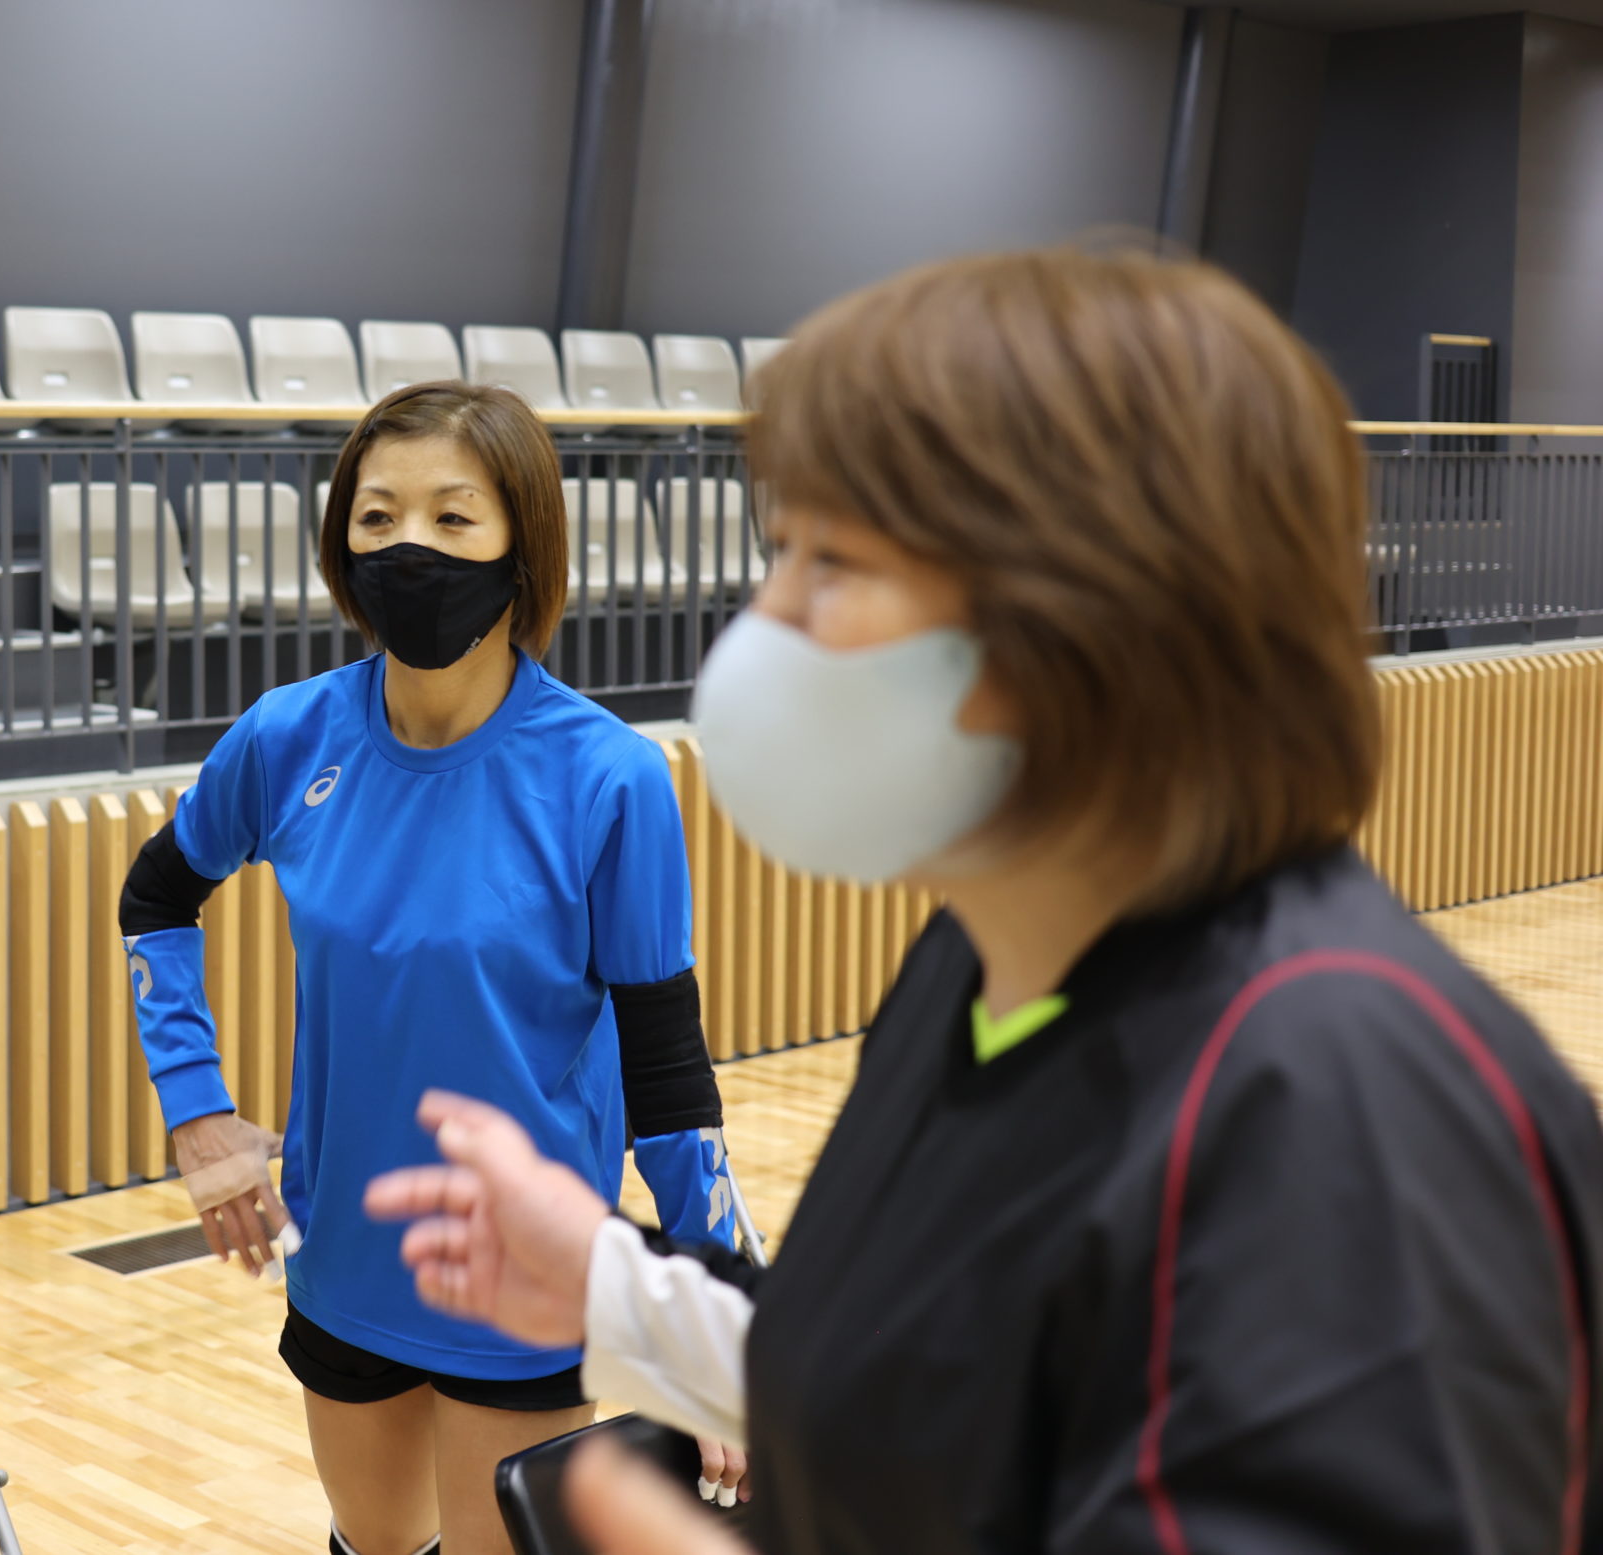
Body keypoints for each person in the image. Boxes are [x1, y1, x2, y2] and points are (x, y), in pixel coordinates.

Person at [367, 248, 1603, 1554]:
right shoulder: (985, 954)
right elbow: (947, 1376)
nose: (762, 620)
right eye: (778, 551)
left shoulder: (1339, 1111)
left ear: (1081, 617)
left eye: (831, 562)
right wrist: (612, 1287)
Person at [118, 382, 743, 1555]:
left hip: (527, 1277)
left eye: (452, 518)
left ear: (521, 546)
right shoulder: (287, 736)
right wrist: (196, 1112)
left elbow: (667, 1077)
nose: (408, 547)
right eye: (377, 518)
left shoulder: (609, 777)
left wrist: (715, 1326)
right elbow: (155, 897)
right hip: (343, 1258)